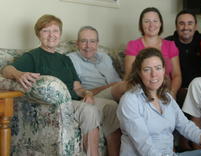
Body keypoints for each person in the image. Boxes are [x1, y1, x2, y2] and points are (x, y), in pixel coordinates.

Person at [1, 15, 116, 156]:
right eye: (46, 31)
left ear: (60, 34)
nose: (51, 35)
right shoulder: (33, 56)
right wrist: (19, 74)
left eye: (55, 31)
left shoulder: (65, 59)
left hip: (76, 100)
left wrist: (88, 93)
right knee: (89, 111)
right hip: (59, 106)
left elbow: (77, 88)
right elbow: (6, 70)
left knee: (111, 107)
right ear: (38, 34)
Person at [117, 47, 201, 156]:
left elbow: (188, 128)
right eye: (147, 69)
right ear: (139, 72)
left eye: (158, 68)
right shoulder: (130, 100)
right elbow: (143, 145)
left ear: (164, 70)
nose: (154, 74)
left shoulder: (167, 98)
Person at [67, 25, 126, 156]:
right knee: (124, 87)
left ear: (97, 43)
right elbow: (78, 90)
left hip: (111, 94)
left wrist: (118, 85)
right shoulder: (71, 59)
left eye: (92, 41)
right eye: (83, 41)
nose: (88, 46)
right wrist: (115, 86)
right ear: (77, 43)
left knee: (124, 94)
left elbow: (115, 80)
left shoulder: (104, 57)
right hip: (91, 95)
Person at [165, 9, 201, 151]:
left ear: (195, 26)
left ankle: (195, 141)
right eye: (181, 24)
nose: (186, 27)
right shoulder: (168, 43)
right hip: (177, 88)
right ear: (176, 26)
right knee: (184, 95)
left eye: (190, 23)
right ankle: (185, 142)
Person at [124, 7, 182, 99]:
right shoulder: (133, 45)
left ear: (160, 23)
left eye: (155, 21)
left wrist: (172, 93)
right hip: (142, 94)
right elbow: (130, 76)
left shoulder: (170, 45)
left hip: (167, 93)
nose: (151, 25)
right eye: (147, 21)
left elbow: (176, 75)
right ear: (141, 25)